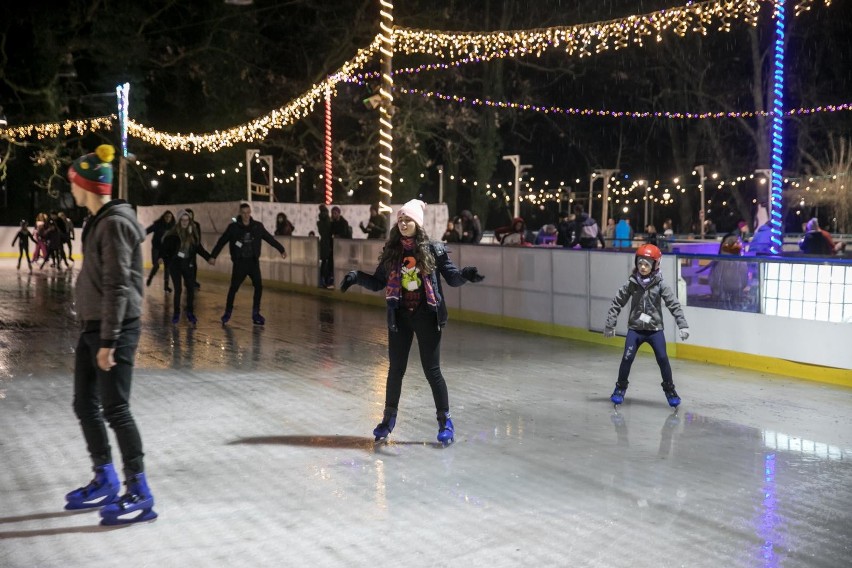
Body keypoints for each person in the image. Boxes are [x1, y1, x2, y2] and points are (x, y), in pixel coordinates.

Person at [339, 199, 485, 446]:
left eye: (409, 219)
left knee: (432, 371)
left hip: (427, 315)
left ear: (418, 222)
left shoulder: (433, 250)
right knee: (396, 370)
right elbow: (378, 282)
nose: (404, 223)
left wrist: (466, 275)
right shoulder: (393, 251)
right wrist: (356, 277)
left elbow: (452, 278)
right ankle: (388, 420)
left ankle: (445, 422)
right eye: (401, 219)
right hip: (400, 317)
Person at [64, 144, 157, 525]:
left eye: (73, 183)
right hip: (93, 327)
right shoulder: (97, 221)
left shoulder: (115, 223)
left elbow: (120, 285)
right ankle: (105, 476)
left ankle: (139, 489)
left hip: (113, 331)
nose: (71, 190)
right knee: (84, 404)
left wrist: (108, 341)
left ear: (86, 185)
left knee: (115, 409)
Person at [604, 244, 690, 409]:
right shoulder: (632, 283)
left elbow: (674, 305)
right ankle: (620, 389)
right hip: (635, 330)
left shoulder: (660, 285)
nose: (643, 267)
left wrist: (682, 325)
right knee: (627, 358)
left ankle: (670, 390)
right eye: (640, 263)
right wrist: (610, 323)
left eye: (647, 264)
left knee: (663, 359)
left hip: (654, 330)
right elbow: (617, 302)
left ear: (655, 265)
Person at [210, 202, 287, 325]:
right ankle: (228, 312)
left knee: (258, 286)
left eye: (248, 213)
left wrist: (281, 249)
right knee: (233, 288)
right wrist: (213, 256)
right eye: (243, 213)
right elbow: (222, 241)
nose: (246, 215)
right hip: (240, 263)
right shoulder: (233, 227)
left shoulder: (257, 226)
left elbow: (269, 238)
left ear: (250, 213)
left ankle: (256, 313)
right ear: (240, 213)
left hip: (253, 262)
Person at [161, 210, 213, 324]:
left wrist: (209, 258)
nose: (185, 222)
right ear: (179, 221)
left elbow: (199, 248)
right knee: (178, 289)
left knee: (190, 289)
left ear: (189, 221)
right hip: (175, 265)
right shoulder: (173, 235)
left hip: (187, 264)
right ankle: (176, 313)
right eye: (182, 220)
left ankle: (190, 312)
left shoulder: (192, 234)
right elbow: (165, 249)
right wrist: (165, 260)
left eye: (187, 220)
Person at [145, 210, 175, 291]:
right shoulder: (157, 225)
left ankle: (166, 286)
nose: (168, 218)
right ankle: (150, 278)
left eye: (170, 217)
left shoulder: (173, 227)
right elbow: (147, 231)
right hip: (156, 248)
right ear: (163, 217)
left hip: (166, 250)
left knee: (167, 266)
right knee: (156, 265)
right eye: (166, 217)